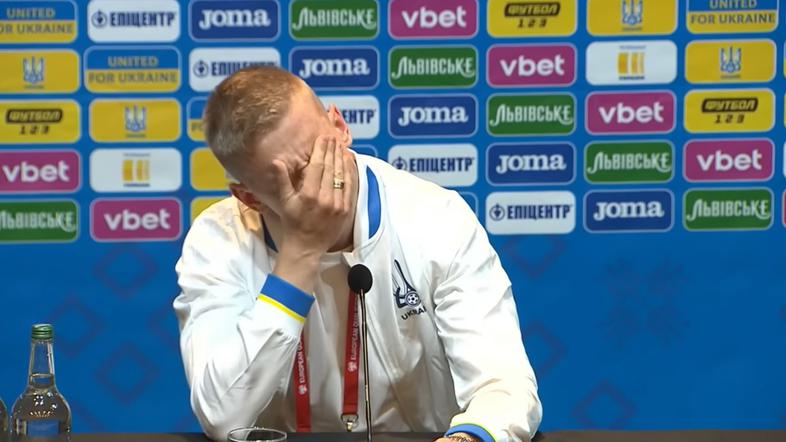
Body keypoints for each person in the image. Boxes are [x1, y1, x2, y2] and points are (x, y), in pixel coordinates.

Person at [174, 66, 542, 442]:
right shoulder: (219, 239)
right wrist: (301, 251)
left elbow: (504, 386)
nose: (320, 187)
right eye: (294, 180)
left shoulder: (436, 217)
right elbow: (221, 414)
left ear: (340, 126)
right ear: (249, 198)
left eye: (322, 155)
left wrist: (466, 440)